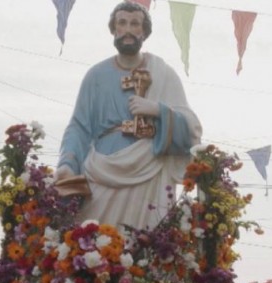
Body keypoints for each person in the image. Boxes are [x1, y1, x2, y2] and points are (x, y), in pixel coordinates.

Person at [55, 1, 201, 230]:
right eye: (122, 23)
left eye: (135, 24)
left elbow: (192, 128)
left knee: (146, 244)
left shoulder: (163, 73)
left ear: (144, 32)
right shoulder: (96, 76)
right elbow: (79, 126)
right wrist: (67, 164)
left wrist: (157, 110)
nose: (129, 30)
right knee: (94, 242)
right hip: (101, 172)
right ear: (114, 30)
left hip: (148, 169)